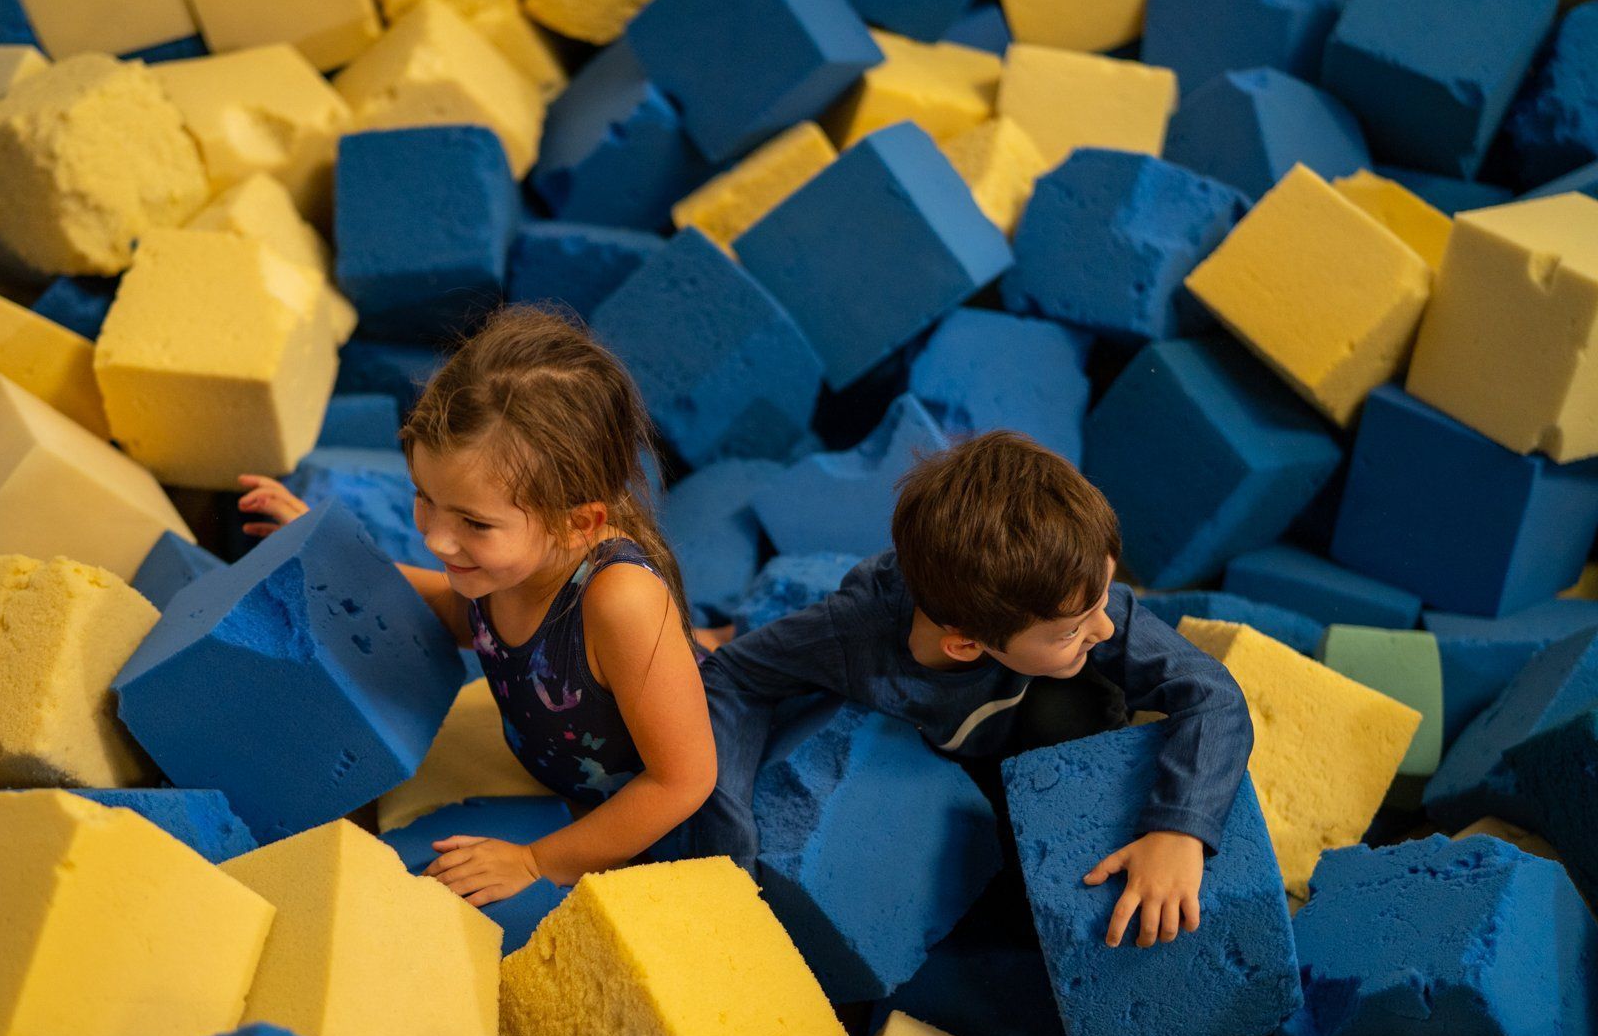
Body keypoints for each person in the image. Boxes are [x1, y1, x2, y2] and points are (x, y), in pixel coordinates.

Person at [235, 305, 717, 907]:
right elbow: (461, 616)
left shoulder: (621, 600)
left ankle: (716, 647)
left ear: (578, 524)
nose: (436, 539)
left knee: (701, 674)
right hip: (552, 759)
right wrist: (322, 552)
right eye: (425, 497)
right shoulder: (509, 559)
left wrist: (538, 860)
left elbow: (684, 780)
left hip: (631, 805)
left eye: (474, 522)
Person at [697, 430, 1254, 948]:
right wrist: (729, 852)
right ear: (965, 645)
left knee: (1069, 707)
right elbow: (733, 679)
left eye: (1107, 597)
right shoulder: (853, 636)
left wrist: (1179, 830)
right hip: (950, 775)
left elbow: (1212, 695)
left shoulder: (1072, 592)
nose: (1104, 627)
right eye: (1073, 630)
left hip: (1043, 732)